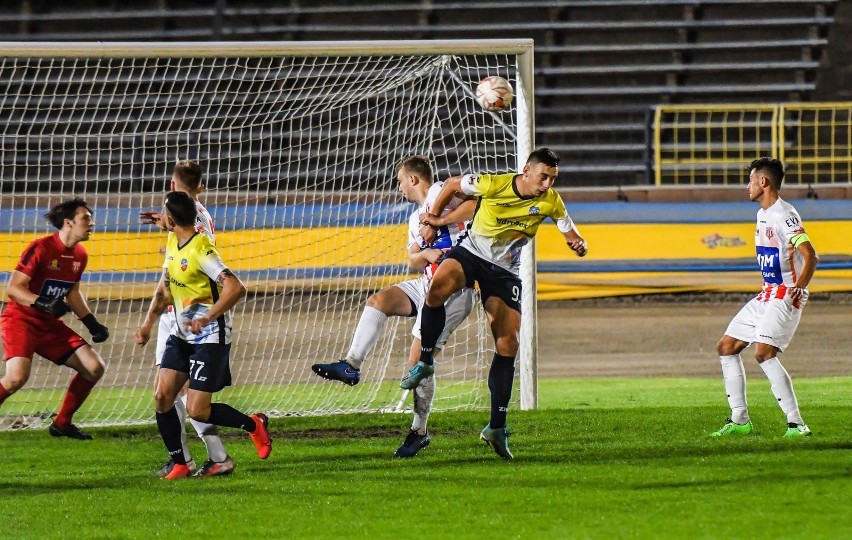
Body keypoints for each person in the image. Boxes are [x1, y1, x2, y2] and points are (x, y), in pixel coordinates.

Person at [407, 148, 588, 459]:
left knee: (508, 345)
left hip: (504, 272)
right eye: (543, 176)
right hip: (472, 254)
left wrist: (577, 242)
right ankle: (424, 361)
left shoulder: (551, 200)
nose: (547, 184)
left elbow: (567, 226)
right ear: (527, 172)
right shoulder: (493, 184)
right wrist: (434, 220)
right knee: (436, 290)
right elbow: (451, 184)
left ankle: (496, 427)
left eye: (553, 178)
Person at [311, 155, 476, 458]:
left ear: (414, 179)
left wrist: (438, 220)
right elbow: (413, 257)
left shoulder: (443, 191)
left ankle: (419, 431)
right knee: (379, 301)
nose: (399, 187)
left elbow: (475, 205)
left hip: (455, 290)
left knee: (418, 360)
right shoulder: (414, 218)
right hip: (427, 283)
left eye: (400, 180)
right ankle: (351, 364)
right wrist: (425, 256)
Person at [133, 191, 271, 480]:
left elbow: (235, 287)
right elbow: (166, 288)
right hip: (182, 334)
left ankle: (253, 424)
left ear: (172, 218)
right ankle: (181, 463)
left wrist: (208, 315)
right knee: (162, 396)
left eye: (164, 213)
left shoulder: (201, 249)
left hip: (209, 335)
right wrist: (148, 324)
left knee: (197, 410)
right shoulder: (173, 240)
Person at [711, 157, 818, 438]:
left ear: (763, 182)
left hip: (784, 295)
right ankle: (740, 421)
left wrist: (800, 286)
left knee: (763, 353)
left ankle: (796, 424)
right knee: (726, 346)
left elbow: (811, 255)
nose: (747, 186)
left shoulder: (785, 214)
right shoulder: (762, 214)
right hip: (767, 293)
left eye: (750, 180)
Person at [138, 160, 233, 478]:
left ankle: (196, 458)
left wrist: (151, 320)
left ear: (170, 186)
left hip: (188, 316)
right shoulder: (192, 218)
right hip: (179, 314)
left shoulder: (193, 237)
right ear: (200, 188)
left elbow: (183, 269)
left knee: (180, 395)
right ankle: (195, 459)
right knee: (169, 392)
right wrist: (164, 224)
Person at [0, 199, 109, 440]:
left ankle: (61, 424)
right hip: (21, 320)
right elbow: (14, 288)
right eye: (86, 219)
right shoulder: (40, 247)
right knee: (17, 376)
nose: (91, 224)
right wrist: (44, 302)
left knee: (94, 367)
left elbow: (72, 292)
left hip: (48, 326)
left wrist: (91, 323)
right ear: (68, 223)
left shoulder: (80, 254)